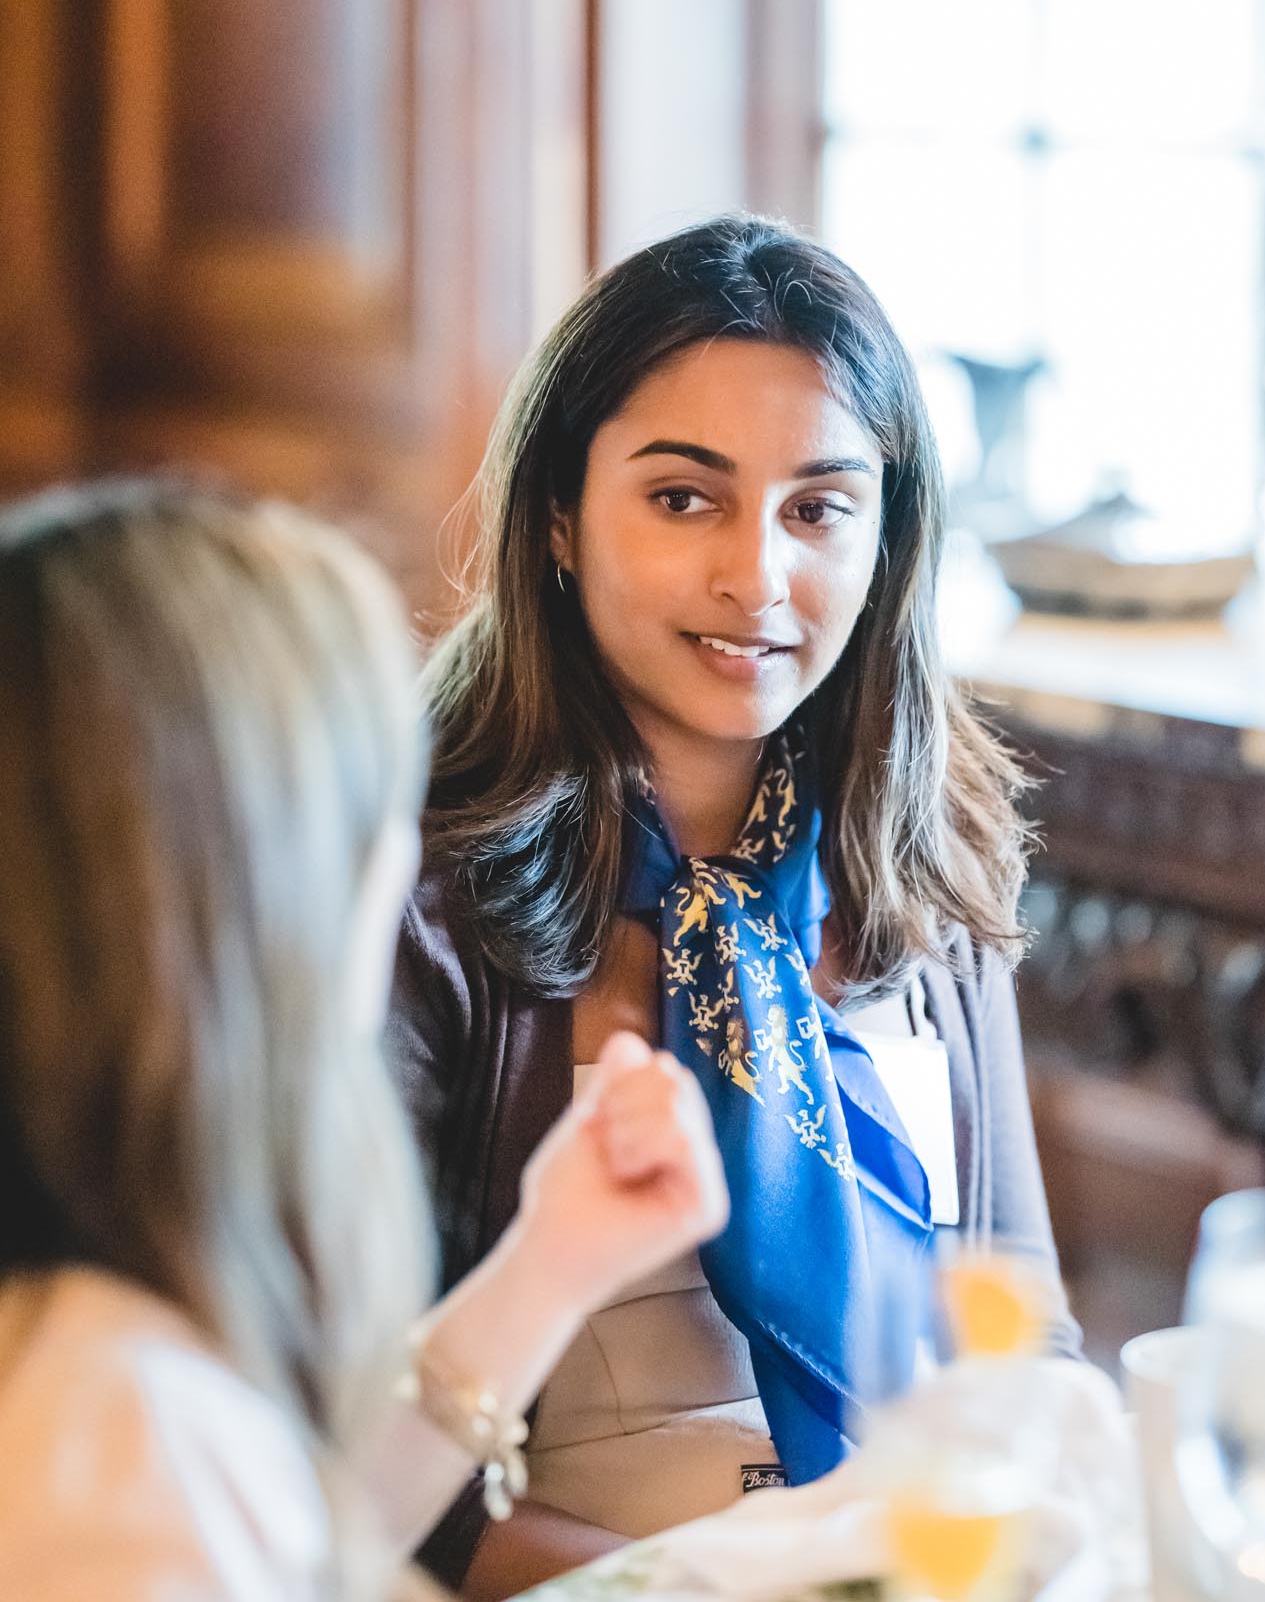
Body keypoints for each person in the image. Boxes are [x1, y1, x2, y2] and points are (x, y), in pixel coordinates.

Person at [391, 214, 1081, 1599]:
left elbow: (1025, 1341)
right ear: (559, 522)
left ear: (887, 543)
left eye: (818, 508)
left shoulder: (924, 855)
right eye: (683, 498)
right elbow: (374, 1463)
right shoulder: (416, 894)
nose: (756, 578)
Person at [0, 480, 727, 1602]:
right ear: (253, 895)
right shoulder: (112, 1445)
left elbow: (306, 1534)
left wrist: (551, 1260)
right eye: (377, 811)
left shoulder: (101, 1354)